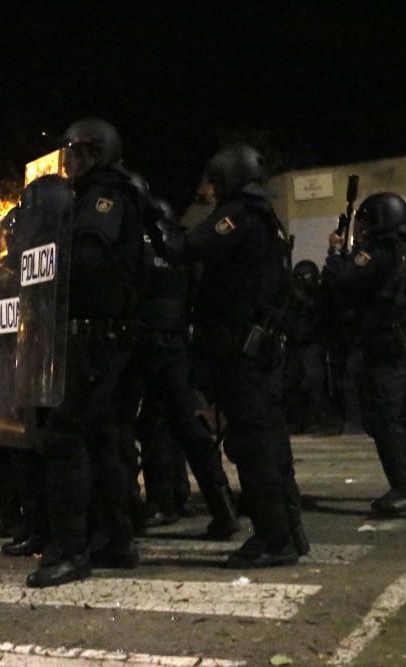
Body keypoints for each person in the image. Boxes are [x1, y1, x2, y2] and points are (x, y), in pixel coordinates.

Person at [147, 144, 307, 567]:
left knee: (252, 445)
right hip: (262, 348)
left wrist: (152, 221)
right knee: (271, 442)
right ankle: (289, 531)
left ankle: (274, 539)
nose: (210, 190)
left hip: (242, 351)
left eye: (215, 181)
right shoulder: (267, 218)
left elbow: (185, 247)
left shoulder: (238, 216)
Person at [25, 118, 143, 588]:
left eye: (72, 151)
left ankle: (72, 550)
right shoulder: (96, 193)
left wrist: (51, 251)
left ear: (92, 152)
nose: (67, 160)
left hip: (96, 337)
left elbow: (91, 259)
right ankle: (116, 539)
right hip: (98, 337)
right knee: (99, 438)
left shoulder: (104, 196)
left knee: (64, 436)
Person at [123, 195, 240, 536]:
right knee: (185, 426)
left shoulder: (139, 246)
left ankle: (161, 503)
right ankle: (219, 504)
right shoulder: (179, 247)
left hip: (144, 343)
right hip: (176, 345)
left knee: (149, 426)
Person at [322, 193, 406, 517]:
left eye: (365, 222)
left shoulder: (378, 251)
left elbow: (341, 279)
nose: (362, 229)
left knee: (386, 421)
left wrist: (336, 251)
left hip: (386, 352)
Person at [283, 261, 340, 436]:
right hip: (295, 345)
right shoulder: (292, 298)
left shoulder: (320, 297)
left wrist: (305, 302)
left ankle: (326, 421)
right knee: (291, 383)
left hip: (312, 345)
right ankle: (299, 422)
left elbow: (321, 319)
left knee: (314, 383)